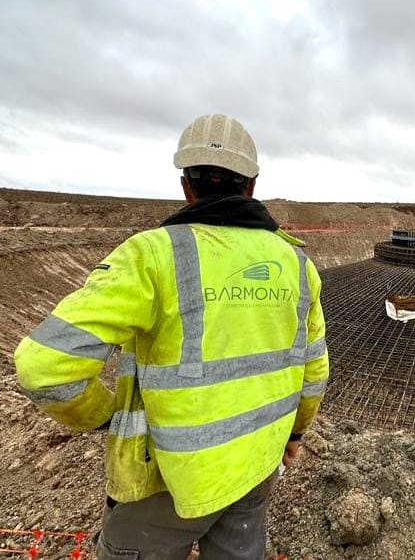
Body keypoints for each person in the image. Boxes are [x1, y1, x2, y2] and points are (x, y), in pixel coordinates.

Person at [13, 114, 329, 559]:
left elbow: (44, 366)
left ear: (186, 186)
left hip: (166, 480)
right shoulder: (297, 265)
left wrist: (107, 417)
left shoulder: (151, 255)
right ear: (252, 185)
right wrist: (294, 435)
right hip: (259, 464)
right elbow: (314, 372)